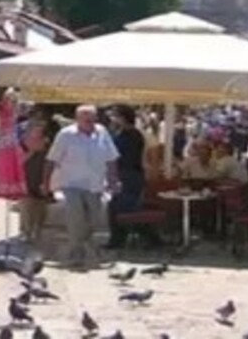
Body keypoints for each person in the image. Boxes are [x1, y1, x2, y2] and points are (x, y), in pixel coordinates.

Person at [43, 105, 119, 270]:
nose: (90, 123)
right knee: (75, 219)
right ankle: (76, 253)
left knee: (94, 220)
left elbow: (111, 157)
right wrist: (46, 181)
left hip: (95, 184)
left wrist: (113, 180)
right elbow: (52, 159)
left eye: (93, 119)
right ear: (77, 120)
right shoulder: (66, 135)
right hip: (72, 184)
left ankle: (86, 246)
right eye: (86, 120)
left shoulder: (102, 132)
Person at [105, 105, 158, 250]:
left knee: (124, 207)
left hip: (130, 174)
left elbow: (126, 156)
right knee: (118, 207)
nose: (113, 119)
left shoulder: (132, 135)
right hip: (125, 173)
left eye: (115, 116)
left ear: (123, 117)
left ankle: (144, 236)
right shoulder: (121, 133)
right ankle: (123, 238)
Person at [0, 90, 28, 198]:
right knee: (4, 163)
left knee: (12, 164)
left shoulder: (14, 110)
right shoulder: (0, 111)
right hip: (4, 139)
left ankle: (12, 189)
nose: (11, 101)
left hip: (11, 139)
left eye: (12, 99)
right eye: (9, 98)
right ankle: (1, 188)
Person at [19, 123, 52, 244]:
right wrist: (32, 152)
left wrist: (46, 183)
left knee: (41, 208)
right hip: (26, 181)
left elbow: (51, 165)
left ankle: (37, 231)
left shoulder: (48, 150)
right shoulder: (22, 147)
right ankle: (26, 232)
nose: (34, 140)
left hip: (42, 181)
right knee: (26, 207)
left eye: (38, 137)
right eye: (31, 137)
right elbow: (18, 163)